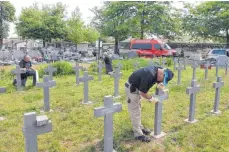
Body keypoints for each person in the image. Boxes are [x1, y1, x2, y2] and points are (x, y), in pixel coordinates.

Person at [125, 65, 174, 142]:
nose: (161, 82)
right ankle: (138, 135)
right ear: (162, 74)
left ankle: (139, 127)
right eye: (163, 80)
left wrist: (160, 85)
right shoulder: (149, 74)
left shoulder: (159, 70)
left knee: (139, 108)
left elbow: (157, 80)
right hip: (132, 89)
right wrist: (151, 98)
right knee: (135, 110)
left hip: (138, 87)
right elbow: (142, 92)